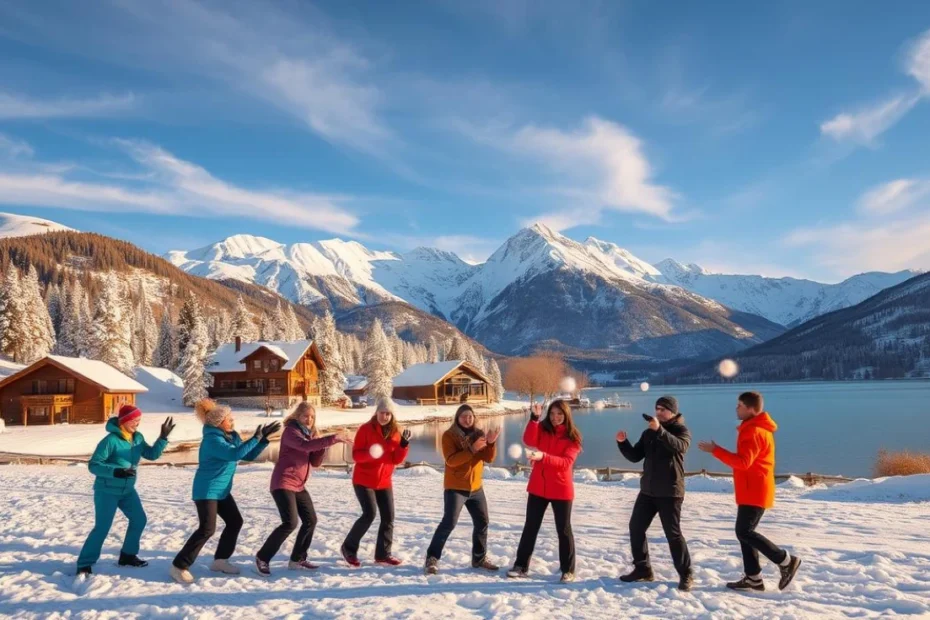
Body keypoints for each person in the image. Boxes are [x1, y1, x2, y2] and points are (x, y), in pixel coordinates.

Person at [698, 391, 801, 592]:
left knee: (744, 531)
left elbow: (743, 462)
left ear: (751, 409)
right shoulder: (756, 428)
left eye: (739, 405)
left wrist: (715, 451)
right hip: (752, 488)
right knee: (744, 533)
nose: (736, 408)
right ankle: (753, 578)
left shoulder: (753, 431)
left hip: (754, 488)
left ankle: (785, 561)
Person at [170, 399, 279, 584]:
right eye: (229, 418)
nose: (233, 420)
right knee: (207, 529)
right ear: (219, 422)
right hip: (206, 490)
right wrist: (255, 438)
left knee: (235, 521)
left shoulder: (231, 436)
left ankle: (220, 561)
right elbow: (233, 454)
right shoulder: (212, 440)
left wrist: (263, 440)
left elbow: (247, 454)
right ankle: (179, 566)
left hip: (221, 491)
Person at [254, 402, 352, 576]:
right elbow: (305, 447)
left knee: (310, 520)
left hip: (298, 485)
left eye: (312, 417)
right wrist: (332, 438)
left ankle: (298, 558)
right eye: (305, 416)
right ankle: (263, 557)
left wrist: (321, 445)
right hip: (283, 482)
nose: (309, 419)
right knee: (290, 522)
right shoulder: (291, 432)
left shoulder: (309, 435)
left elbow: (315, 462)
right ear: (297, 416)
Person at [76, 405, 175, 575]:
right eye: (134, 420)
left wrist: (163, 437)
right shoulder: (110, 441)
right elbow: (94, 465)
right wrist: (116, 471)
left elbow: (151, 455)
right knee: (102, 527)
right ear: (124, 421)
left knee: (139, 520)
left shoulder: (137, 438)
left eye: (139, 420)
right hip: (107, 490)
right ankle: (84, 564)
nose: (137, 423)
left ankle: (128, 556)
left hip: (128, 490)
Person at [616, 395, 693, 591]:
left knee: (673, 535)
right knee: (636, 527)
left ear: (673, 412)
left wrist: (659, 430)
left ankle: (686, 574)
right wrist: (623, 443)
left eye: (663, 409)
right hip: (648, 491)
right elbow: (635, 456)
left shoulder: (681, 431)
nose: (658, 412)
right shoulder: (648, 433)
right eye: (657, 409)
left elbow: (679, 446)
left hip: (670, 492)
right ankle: (643, 569)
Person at [507, 399, 582, 583]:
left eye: (560, 414)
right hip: (538, 487)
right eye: (553, 413)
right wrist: (534, 419)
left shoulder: (573, 438)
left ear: (566, 416)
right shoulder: (542, 428)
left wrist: (543, 457)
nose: (556, 417)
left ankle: (568, 570)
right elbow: (529, 440)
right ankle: (521, 566)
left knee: (563, 530)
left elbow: (565, 463)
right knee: (530, 527)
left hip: (561, 489)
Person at [424, 404, 501, 575]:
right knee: (449, 523)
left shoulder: (479, 434)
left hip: (476, 488)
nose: (467, 419)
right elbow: (451, 460)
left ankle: (479, 558)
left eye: (470, 416)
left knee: (482, 522)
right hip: (456, 487)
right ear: (457, 418)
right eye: (464, 416)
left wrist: (491, 443)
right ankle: (432, 558)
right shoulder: (449, 436)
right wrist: (472, 449)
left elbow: (488, 458)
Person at [341, 397, 411, 567]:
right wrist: (370, 454)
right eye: (382, 413)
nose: (384, 416)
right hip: (363, 480)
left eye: (388, 413)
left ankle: (382, 554)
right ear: (376, 412)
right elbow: (356, 455)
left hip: (384, 482)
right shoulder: (365, 429)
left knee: (388, 517)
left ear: (392, 415)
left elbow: (395, 460)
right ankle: (348, 548)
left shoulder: (396, 432)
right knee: (369, 514)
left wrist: (403, 445)